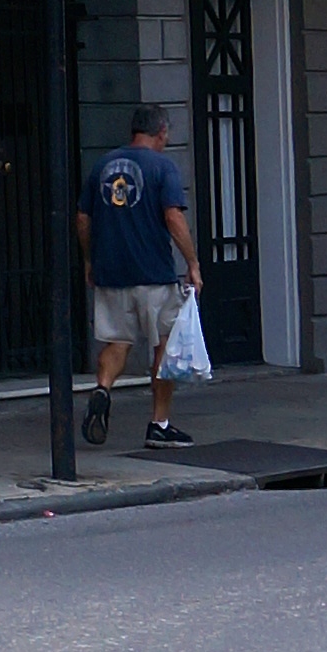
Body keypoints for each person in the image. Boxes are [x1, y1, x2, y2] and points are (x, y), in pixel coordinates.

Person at [79, 94, 201, 451]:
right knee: (163, 345)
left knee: (117, 342)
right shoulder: (163, 168)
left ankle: (102, 389)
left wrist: (90, 260)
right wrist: (192, 263)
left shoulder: (103, 164)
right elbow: (173, 217)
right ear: (161, 132)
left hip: (111, 271)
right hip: (153, 274)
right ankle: (159, 424)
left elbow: (83, 218)